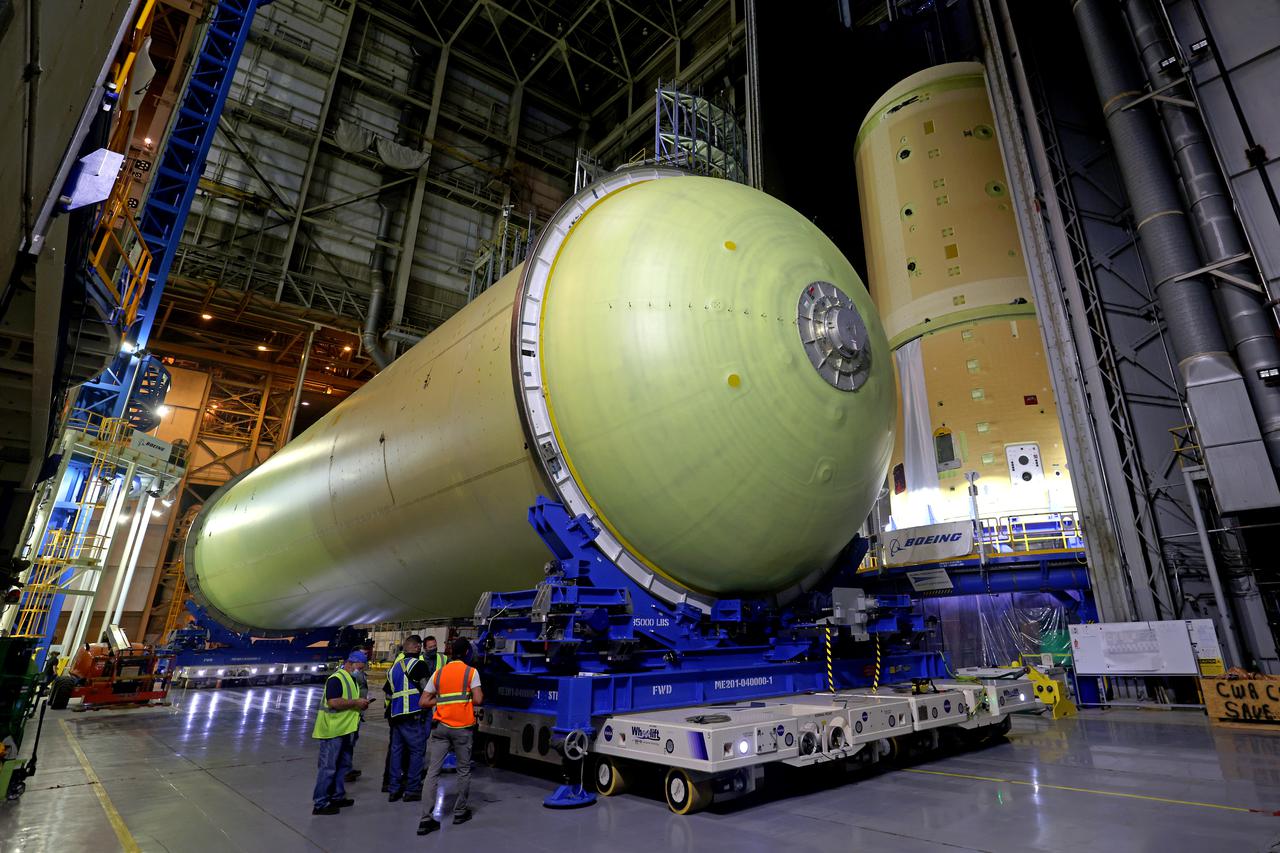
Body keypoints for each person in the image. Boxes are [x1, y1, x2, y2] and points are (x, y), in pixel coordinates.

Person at [417, 638, 482, 835]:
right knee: (463, 770)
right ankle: (460, 812)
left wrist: (443, 699)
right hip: (462, 728)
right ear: (468, 654)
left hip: (440, 729)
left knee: (433, 773)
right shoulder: (471, 672)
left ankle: (426, 819)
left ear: (451, 653)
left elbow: (423, 701)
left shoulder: (439, 673)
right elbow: (478, 699)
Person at [382, 635, 448, 792]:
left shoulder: (394, 668)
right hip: (413, 714)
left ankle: (393, 788)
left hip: (395, 716)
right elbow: (427, 690)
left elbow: (389, 694)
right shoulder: (419, 665)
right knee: (417, 750)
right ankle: (412, 788)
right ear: (418, 648)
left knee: (396, 751)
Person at [311, 650, 369, 815]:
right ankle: (320, 803)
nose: (361, 671)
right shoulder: (336, 679)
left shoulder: (352, 680)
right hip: (332, 730)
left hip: (345, 729)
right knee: (328, 768)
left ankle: (337, 796)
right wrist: (356, 702)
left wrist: (360, 704)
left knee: (342, 766)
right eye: (359, 667)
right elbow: (334, 702)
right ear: (350, 663)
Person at [344, 639, 375, 783]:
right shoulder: (350, 673)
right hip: (349, 712)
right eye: (362, 656)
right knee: (348, 742)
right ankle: (344, 770)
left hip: (357, 711)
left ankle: (347, 767)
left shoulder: (359, 672)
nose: (365, 659)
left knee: (352, 742)